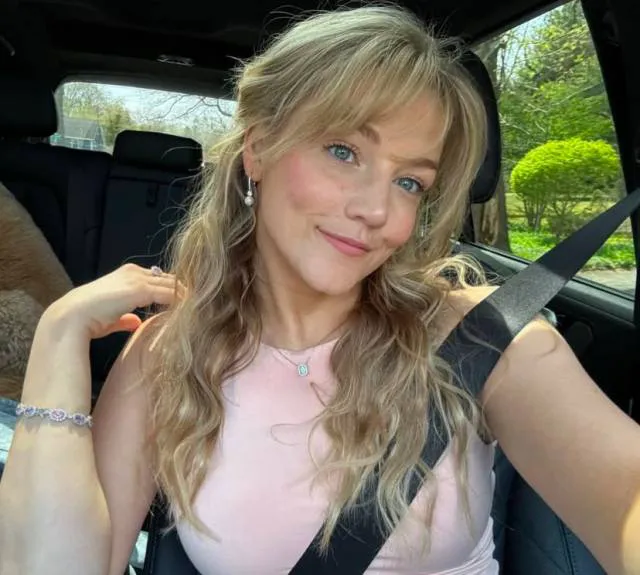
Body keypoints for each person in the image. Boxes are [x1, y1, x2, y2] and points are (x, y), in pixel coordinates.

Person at [1, 5, 639, 575]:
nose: (377, 210)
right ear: (258, 149)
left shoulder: (484, 341)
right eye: (343, 151)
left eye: (410, 183)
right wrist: (58, 336)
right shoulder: (165, 357)